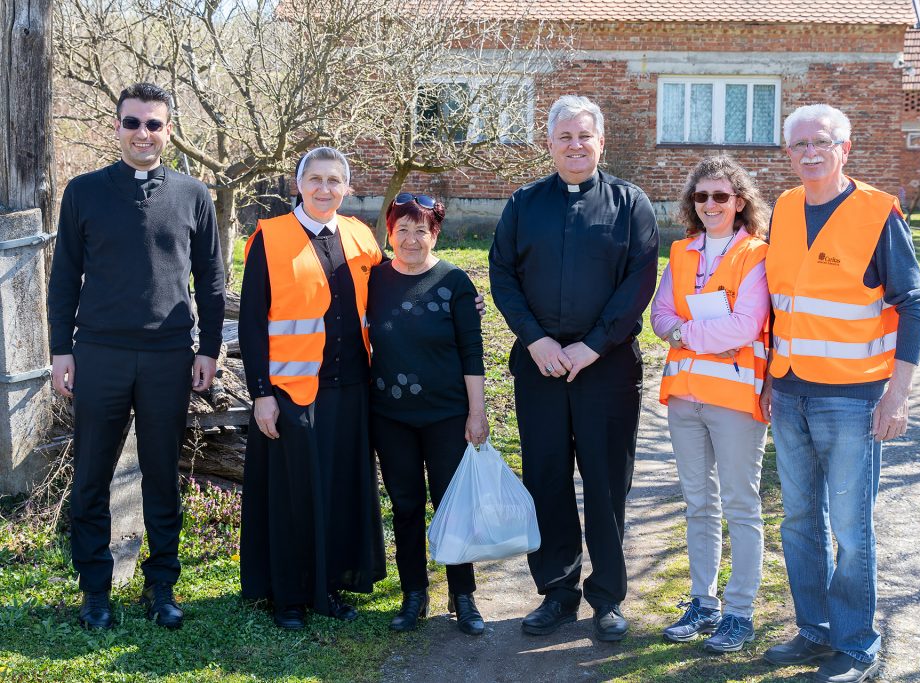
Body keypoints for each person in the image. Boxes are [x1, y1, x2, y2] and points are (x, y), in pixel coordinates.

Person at [761, 104, 920, 683]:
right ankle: (813, 631)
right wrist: (767, 379)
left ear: (846, 147)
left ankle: (857, 644)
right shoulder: (783, 208)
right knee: (799, 522)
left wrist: (897, 395)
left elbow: (915, 305)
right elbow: (779, 306)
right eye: (799, 144)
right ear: (788, 153)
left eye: (822, 142)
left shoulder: (876, 212)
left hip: (852, 399)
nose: (810, 152)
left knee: (850, 530)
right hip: (788, 394)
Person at [47, 82, 225, 630]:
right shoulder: (82, 191)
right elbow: (63, 279)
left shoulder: (194, 195)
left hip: (169, 355)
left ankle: (162, 586)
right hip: (98, 352)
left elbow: (213, 280)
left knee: (161, 476)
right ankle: (95, 591)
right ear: (117, 126)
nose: (142, 133)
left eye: (153, 124)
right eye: (132, 123)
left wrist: (209, 351)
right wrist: (60, 350)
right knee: (92, 475)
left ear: (169, 130)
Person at [489, 95, 659, 642]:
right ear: (549, 143)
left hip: (605, 369)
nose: (575, 145)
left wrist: (591, 346)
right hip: (539, 366)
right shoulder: (523, 204)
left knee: (608, 481)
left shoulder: (631, 205)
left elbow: (638, 284)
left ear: (600, 141)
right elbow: (502, 277)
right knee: (546, 478)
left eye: (584, 136)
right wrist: (535, 340)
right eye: (564, 137)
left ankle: (606, 597)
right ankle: (558, 592)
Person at [238, 146, 386, 630]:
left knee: (340, 488)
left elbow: (386, 300)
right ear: (298, 185)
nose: (325, 189)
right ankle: (290, 596)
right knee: (295, 492)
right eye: (315, 179)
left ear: (347, 187)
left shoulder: (361, 236)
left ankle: (333, 583)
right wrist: (261, 392)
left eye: (335, 180)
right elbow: (252, 323)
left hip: (352, 387)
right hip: (290, 389)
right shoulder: (271, 237)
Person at [650, 155, 771, 653]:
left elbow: (745, 324)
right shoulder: (680, 253)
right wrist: (691, 335)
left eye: (721, 196)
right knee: (699, 504)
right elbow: (658, 316)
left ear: (739, 202)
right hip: (685, 398)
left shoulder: (757, 255)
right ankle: (704, 603)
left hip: (736, 399)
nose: (711, 204)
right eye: (701, 196)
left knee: (741, 506)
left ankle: (739, 612)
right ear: (691, 203)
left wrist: (684, 333)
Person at [366, 192, 489, 636]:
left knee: (451, 506)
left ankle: (463, 597)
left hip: (446, 415)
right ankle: (413, 595)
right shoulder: (373, 281)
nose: (412, 239)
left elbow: (471, 353)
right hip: (390, 415)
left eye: (422, 230)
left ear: (435, 234)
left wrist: (477, 412)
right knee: (405, 506)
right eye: (403, 230)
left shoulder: (456, 283)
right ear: (390, 233)